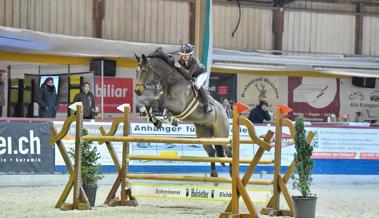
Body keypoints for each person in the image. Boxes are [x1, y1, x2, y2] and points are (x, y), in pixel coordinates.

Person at [174, 43, 213, 113]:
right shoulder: (180, 60)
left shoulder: (195, 62)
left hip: (201, 74)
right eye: (182, 55)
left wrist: (180, 67)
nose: (184, 56)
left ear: (190, 54)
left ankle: (207, 105)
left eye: (186, 55)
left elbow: (188, 75)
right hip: (191, 75)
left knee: (197, 85)